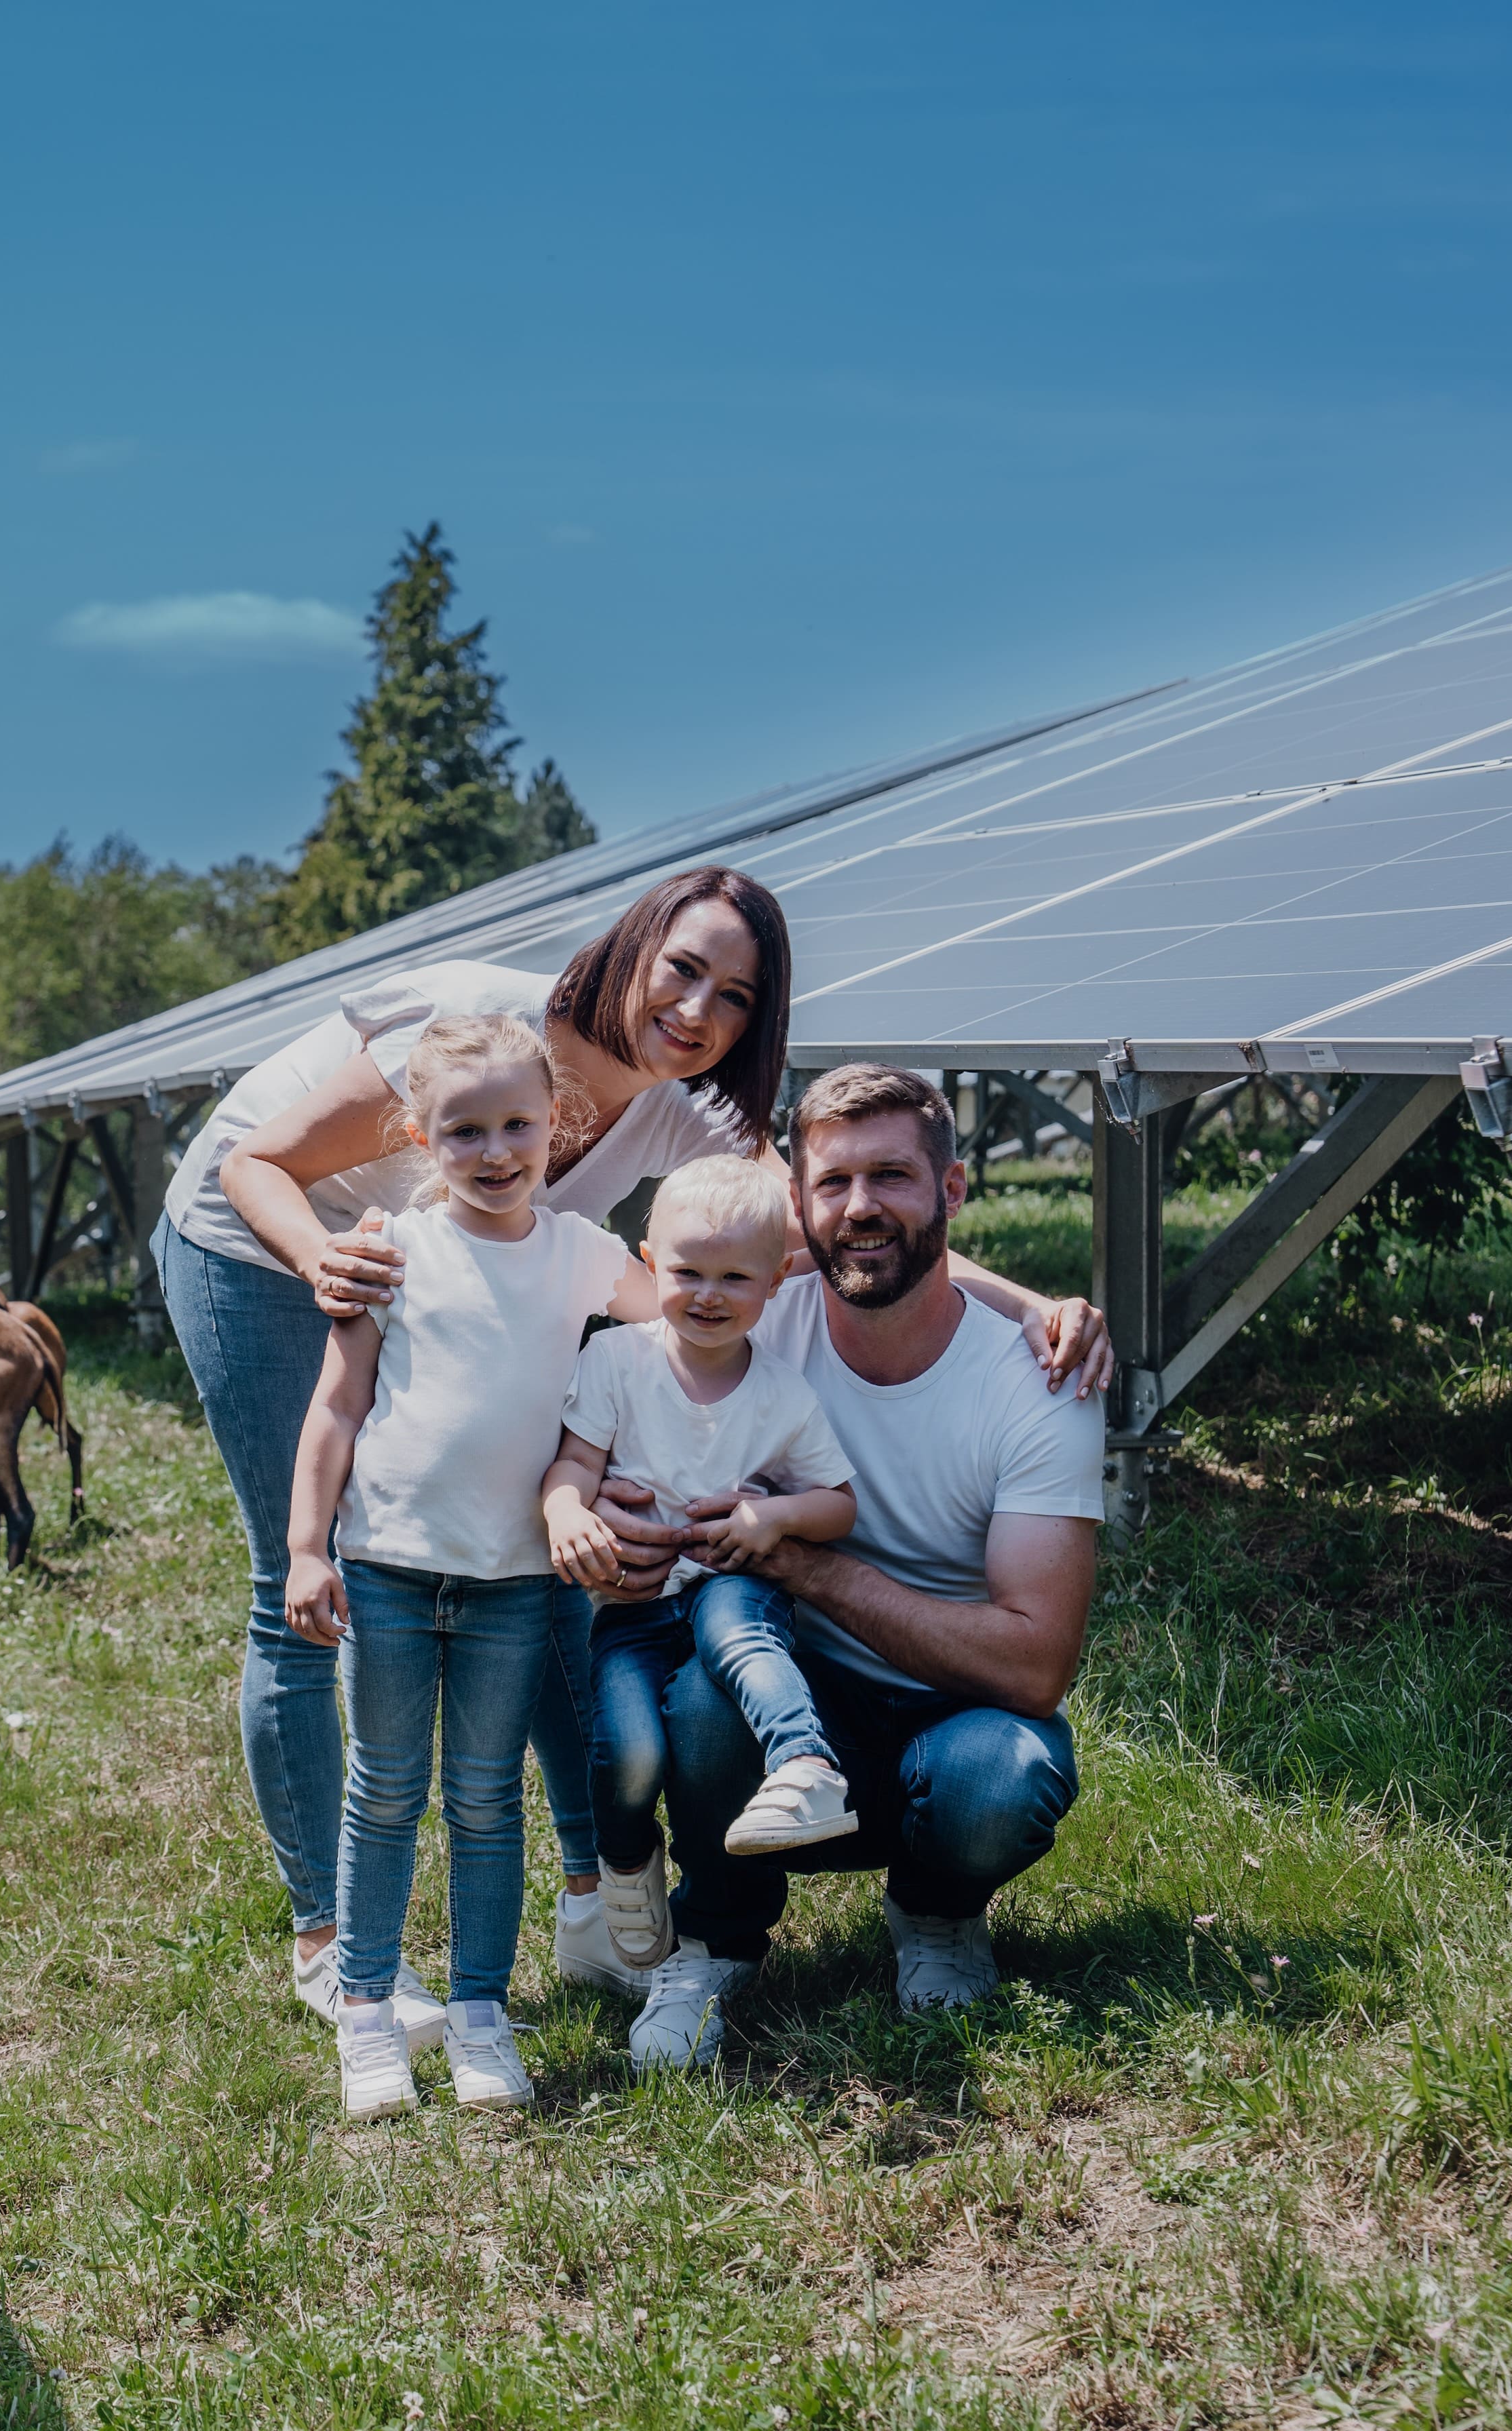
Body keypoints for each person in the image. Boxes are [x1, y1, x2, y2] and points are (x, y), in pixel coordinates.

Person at [152, 866, 1112, 2042]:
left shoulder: (685, 1108)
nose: (700, 1009)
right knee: (305, 1578)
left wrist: (1032, 1304)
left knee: (543, 1555)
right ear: (634, 945)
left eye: (737, 997)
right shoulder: (485, 1024)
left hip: (464, 1277)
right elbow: (258, 1158)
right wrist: (322, 1262)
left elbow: (838, 1224)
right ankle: (325, 1936)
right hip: (265, 1246)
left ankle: (589, 1892)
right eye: (685, 968)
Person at [589, 1063, 1105, 2076]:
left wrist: (805, 1567)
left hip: (951, 1715)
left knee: (1011, 1775)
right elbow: (607, 1386)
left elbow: (1038, 1668)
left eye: (893, 1178)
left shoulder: (1040, 1384)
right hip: (783, 1705)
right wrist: (601, 1499)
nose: (861, 1208)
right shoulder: (752, 1314)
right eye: (834, 1183)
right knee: (702, 1698)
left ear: (951, 1192)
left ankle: (937, 1913)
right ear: (797, 1208)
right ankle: (714, 1937)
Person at [281, 1014, 657, 2116]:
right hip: (392, 1569)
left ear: (556, 1123)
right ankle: (366, 2012)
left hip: (511, 1583)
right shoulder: (393, 1245)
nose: (495, 1150)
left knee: (488, 1799)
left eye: (516, 1125)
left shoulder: (583, 1250)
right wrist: (308, 1547)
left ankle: (484, 2011)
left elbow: (670, 1335)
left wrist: (622, 1466)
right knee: (385, 1790)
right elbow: (337, 1404)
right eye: (464, 1129)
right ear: (418, 1132)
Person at [541, 1155, 863, 1898]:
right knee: (628, 1749)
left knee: (741, 1637)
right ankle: (623, 1859)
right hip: (632, 1608)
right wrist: (564, 1509)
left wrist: (773, 1514)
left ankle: (804, 1763)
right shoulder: (617, 1359)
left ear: (777, 1281)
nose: (709, 1295)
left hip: (730, 1579)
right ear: (650, 1263)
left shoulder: (781, 1391)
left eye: (736, 1278)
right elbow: (575, 1463)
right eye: (688, 1272)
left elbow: (838, 1502)